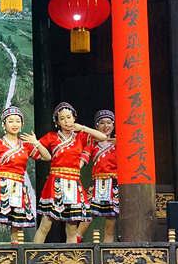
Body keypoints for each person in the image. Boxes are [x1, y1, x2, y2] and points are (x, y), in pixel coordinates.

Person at [0, 106, 51, 244]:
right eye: (10, 121)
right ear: (4, 124)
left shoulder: (26, 145)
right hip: (0, 188)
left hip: (18, 189)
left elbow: (47, 157)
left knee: (16, 230)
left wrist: (37, 143)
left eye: (18, 121)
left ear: (22, 124)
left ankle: (15, 257)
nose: (14, 124)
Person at [33, 102, 108, 244]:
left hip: (73, 183)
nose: (66, 121)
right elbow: (36, 151)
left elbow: (103, 137)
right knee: (45, 224)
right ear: (57, 122)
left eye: (69, 117)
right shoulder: (51, 137)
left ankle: (71, 256)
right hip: (55, 182)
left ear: (74, 118)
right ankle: (33, 255)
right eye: (62, 118)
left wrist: (83, 128)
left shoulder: (81, 136)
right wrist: (37, 146)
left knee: (72, 227)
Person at [76, 110, 119, 243]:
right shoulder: (92, 143)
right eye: (102, 123)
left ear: (113, 125)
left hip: (113, 185)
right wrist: (76, 168)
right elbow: (84, 157)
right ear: (96, 126)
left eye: (109, 122)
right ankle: (74, 247)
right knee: (87, 217)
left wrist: (120, 143)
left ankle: (106, 253)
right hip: (96, 184)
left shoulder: (119, 143)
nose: (106, 126)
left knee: (110, 226)